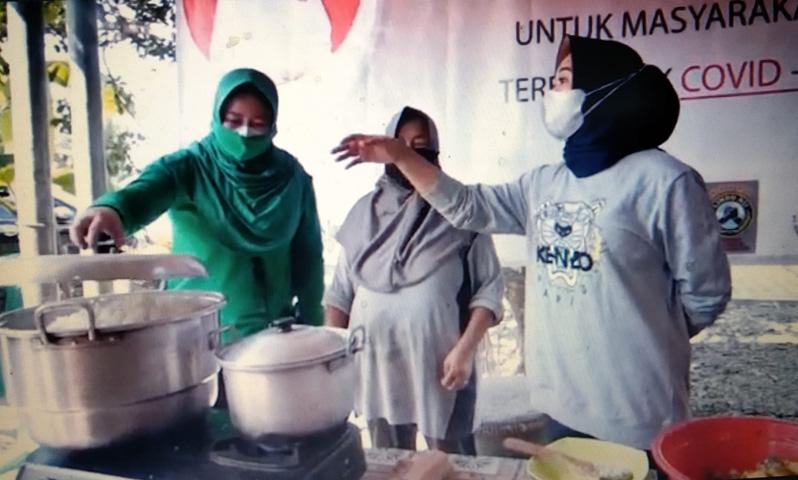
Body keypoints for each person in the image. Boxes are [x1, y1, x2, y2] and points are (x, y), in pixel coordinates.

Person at [332, 35, 732, 454]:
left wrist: (645, 329)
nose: (551, 92)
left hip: (637, 409)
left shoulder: (664, 181)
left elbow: (706, 293)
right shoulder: (544, 183)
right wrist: (401, 155)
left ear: (604, 90)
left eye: (562, 80)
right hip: (562, 403)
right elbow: (468, 207)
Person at [70, 68, 324, 341]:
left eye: (258, 123)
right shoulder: (190, 167)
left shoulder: (291, 178)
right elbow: (145, 191)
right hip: (196, 337)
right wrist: (112, 210)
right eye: (233, 121)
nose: (244, 134)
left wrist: (314, 328)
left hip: (274, 340)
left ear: (273, 124)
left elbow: (308, 258)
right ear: (216, 117)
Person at [325, 106, 504, 454]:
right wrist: (336, 359)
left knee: (454, 467)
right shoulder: (362, 214)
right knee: (391, 465)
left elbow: (489, 289)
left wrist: (465, 352)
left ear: (434, 151)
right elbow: (339, 297)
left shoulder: (462, 211)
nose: (406, 152)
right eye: (399, 144)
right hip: (378, 369)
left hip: (443, 371)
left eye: (418, 145)